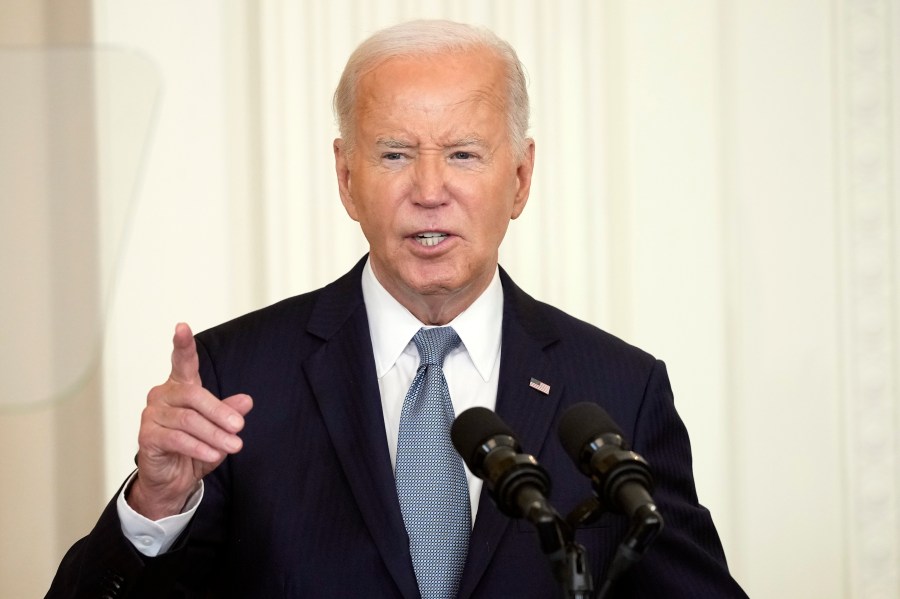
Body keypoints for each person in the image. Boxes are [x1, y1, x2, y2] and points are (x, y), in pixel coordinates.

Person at [47, 19, 747, 598]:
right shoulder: (234, 384)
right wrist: (155, 504)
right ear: (346, 178)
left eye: (465, 154)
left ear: (522, 178)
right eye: (394, 154)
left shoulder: (620, 390)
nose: (430, 188)